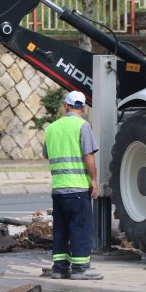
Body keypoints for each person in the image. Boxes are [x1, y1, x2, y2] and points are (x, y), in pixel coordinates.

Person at [43, 90, 103, 280]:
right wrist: (93, 181)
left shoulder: (51, 128)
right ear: (83, 108)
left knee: (60, 229)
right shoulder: (82, 126)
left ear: (65, 106)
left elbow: (47, 154)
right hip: (77, 188)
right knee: (80, 228)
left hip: (58, 189)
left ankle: (60, 268)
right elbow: (89, 156)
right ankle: (80, 268)